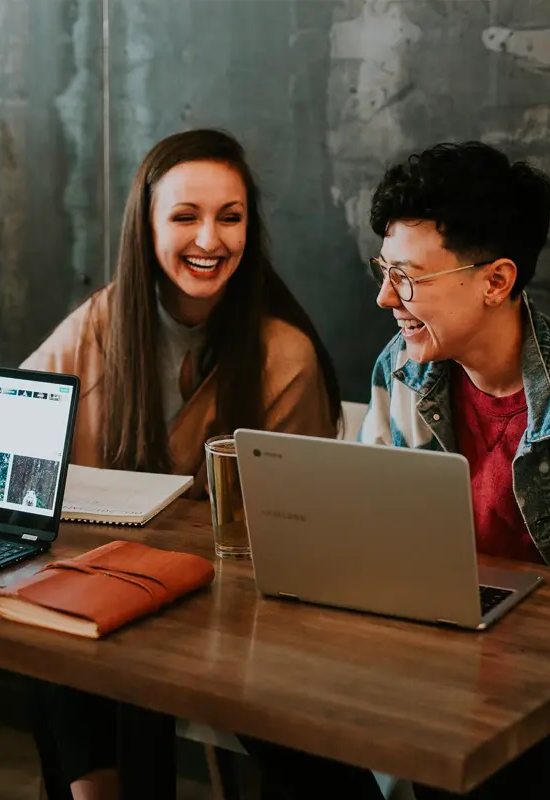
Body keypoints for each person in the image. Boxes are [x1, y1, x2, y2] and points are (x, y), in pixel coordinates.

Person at [253, 141, 550, 799]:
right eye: (382, 271)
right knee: (272, 713)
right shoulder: (400, 370)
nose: (386, 298)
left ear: (496, 281)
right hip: (436, 663)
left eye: (408, 277)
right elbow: (369, 544)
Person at [22, 128, 343, 799]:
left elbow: (292, 533)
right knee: (58, 641)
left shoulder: (283, 355)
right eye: (184, 217)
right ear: (144, 226)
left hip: (236, 619)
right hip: (105, 595)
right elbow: (18, 432)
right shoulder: (101, 323)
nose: (210, 240)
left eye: (230, 218)